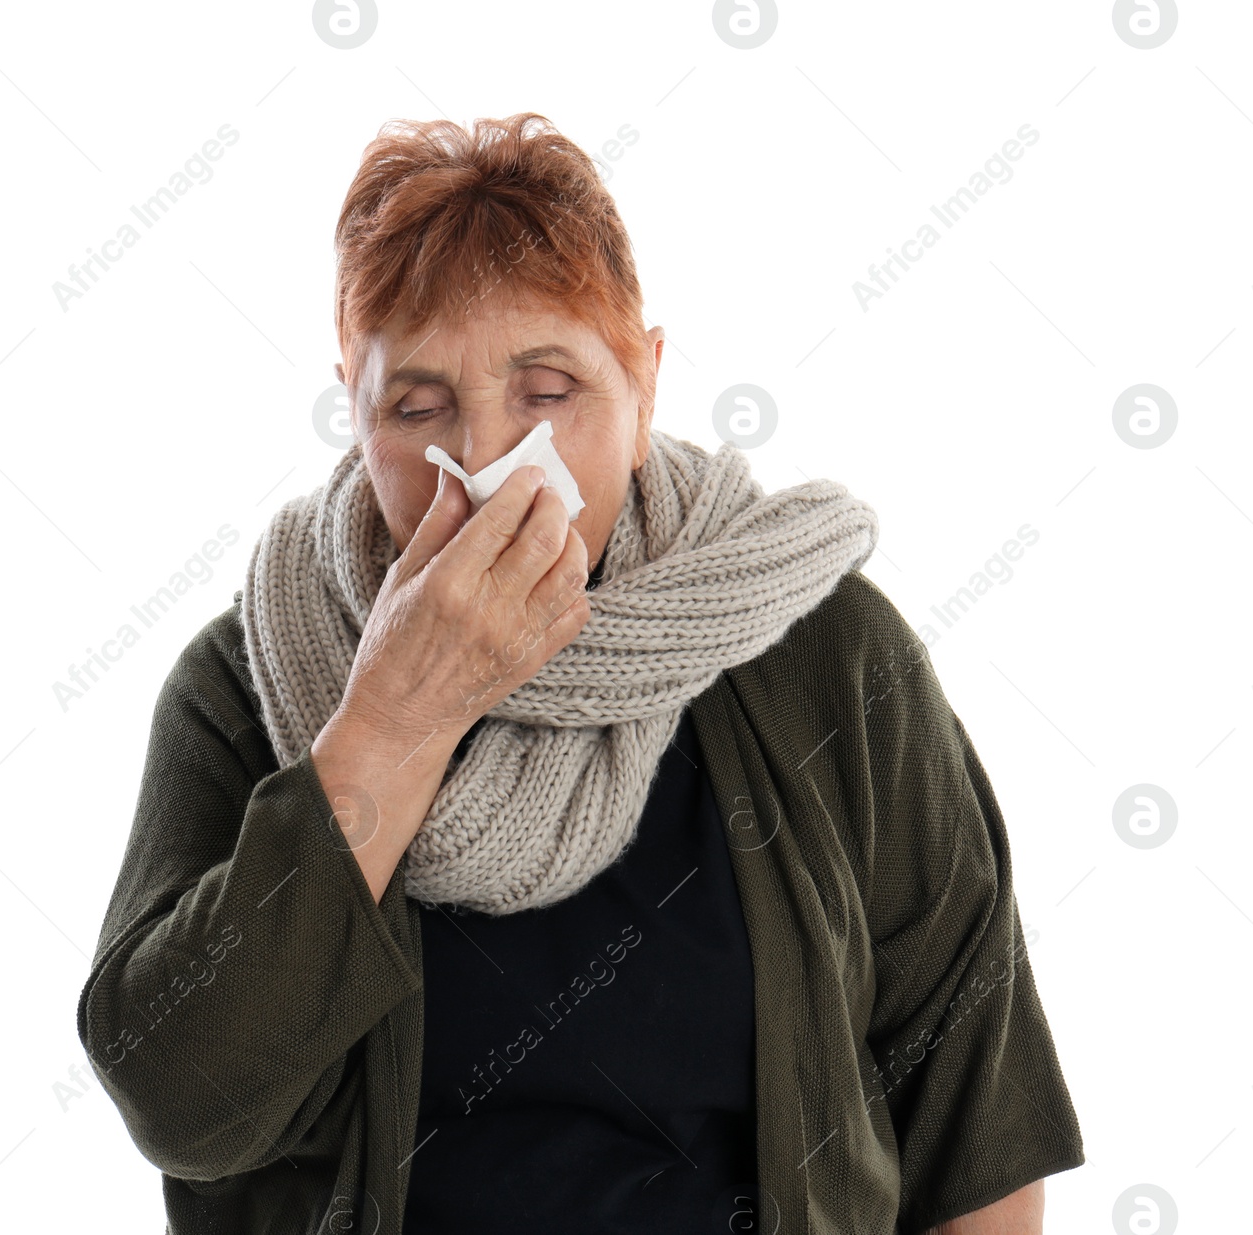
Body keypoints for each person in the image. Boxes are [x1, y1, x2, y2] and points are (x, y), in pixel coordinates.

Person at [77, 112, 1083, 1234]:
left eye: (547, 390)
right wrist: (399, 713)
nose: (496, 458)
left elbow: (971, 1115)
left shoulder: (825, 654)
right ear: (353, 414)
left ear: (645, 383)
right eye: (417, 406)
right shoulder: (247, 682)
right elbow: (180, 1101)